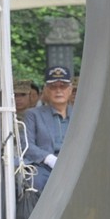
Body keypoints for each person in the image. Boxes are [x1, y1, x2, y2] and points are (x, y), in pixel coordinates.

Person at [21, 66, 74, 194]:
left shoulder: (81, 114)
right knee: (34, 181)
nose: (58, 91)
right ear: (45, 91)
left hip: (74, 164)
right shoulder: (33, 115)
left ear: (70, 90)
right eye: (53, 87)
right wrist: (49, 158)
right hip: (44, 167)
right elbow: (26, 145)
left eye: (63, 86)